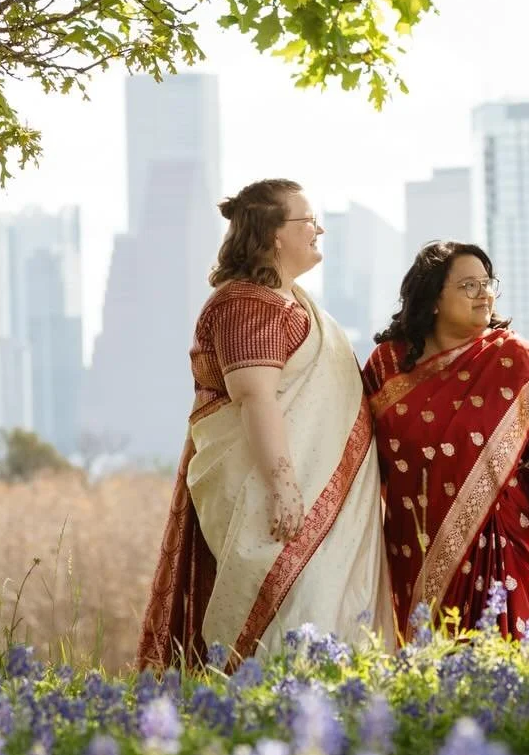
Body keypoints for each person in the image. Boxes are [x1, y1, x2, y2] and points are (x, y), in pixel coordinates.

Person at [139, 177, 393, 668]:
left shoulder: (296, 304)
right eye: (307, 220)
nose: (318, 229)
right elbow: (254, 397)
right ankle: (264, 720)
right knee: (293, 610)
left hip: (323, 495)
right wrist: (284, 486)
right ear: (274, 233)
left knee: (329, 614)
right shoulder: (247, 303)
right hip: (275, 495)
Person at [363, 241, 529, 642]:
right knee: (426, 676)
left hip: (505, 548)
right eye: (469, 285)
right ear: (433, 298)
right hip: (410, 547)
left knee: (511, 674)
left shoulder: (513, 359)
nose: (484, 293)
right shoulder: (387, 365)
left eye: (488, 283)